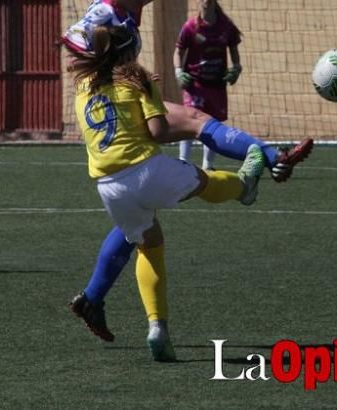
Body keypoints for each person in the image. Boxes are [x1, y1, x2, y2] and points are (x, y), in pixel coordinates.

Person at [63, 0, 313, 342]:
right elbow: (71, 38)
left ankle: (94, 298)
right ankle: (266, 161)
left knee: (139, 227)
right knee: (196, 124)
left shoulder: (123, 5)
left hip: (110, 144)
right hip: (120, 105)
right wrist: (118, 74)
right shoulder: (101, 15)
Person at [70, 24, 266, 361]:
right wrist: (154, 98)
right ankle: (244, 185)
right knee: (203, 182)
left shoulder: (82, 87)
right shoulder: (136, 79)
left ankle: (158, 327)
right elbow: (158, 132)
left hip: (109, 187)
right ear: (129, 52)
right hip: (146, 171)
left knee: (149, 243)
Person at [174, 0, 242, 170]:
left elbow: (234, 49)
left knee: (211, 124)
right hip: (195, 84)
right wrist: (178, 71)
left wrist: (236, 68)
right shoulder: (191, 26)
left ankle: (208, 165)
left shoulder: (226, 26)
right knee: (190, 120)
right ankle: (183, 162)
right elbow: (178, 51)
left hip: (217, 84)